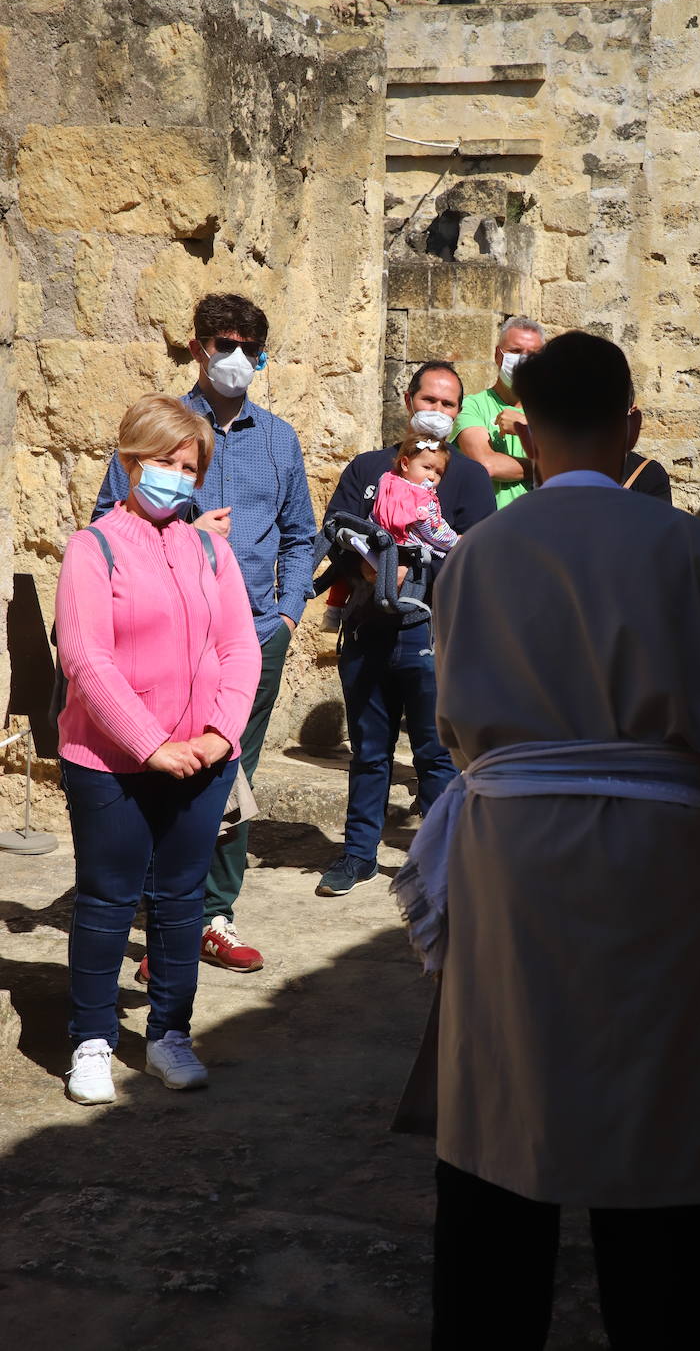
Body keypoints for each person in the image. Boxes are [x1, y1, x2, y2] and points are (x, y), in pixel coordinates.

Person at [391, 332, 700, 1350]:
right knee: (656, 1111)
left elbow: (455, 728)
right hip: (644, 867)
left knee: (503, 1107)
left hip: (511, 860)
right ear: (631, 428)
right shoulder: (679, 546)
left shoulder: (481, 553)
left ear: (524, 439)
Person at [94, 293, 316, 974]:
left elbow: (301, 536)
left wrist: (284, 617)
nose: (238, 360)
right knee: (164, 768)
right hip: (165, 634)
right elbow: (107, 519)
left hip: (250, 637)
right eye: (226, 345)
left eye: (251, 348)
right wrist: (187, 537)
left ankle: (210, 914)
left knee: (233, 774)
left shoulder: (278, 439)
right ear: (197, 348)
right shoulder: (162, 431)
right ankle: (165, 919)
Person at [57, 395, 261, 1105]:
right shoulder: (94, 548)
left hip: (204, 759)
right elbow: (86, 657)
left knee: (180, 904)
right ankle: (90, 1040)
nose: (175, 477)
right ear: (129, 460)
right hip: (111, 763)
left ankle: (171, 1033)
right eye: (163, 462)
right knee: (108, 902)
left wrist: (219, 734)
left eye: (188, 466)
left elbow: (239, 646)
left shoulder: (209, 547)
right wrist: (150, 746)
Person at [315, 361, 495, 896]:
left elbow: (476, 554)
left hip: (432, 636)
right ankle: (358, 855)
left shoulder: (469, 476)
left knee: (434, 754)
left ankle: (438, 864)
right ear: (409, 400)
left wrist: (417, 568)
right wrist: (369, 566)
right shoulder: (368, 468)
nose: (437, 412)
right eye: (429, 400)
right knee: (369, 750)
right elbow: (335, 530)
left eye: (448, 404)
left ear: (458, 412)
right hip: (367, 629)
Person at [322, 435, 460, 631]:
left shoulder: (387, 480)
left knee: (342, 569)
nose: (432, 476)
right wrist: (454, 541)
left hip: (376, 541)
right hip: (404, 544)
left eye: (438, 473)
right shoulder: (422, 498)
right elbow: (433, 530)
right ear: (405, 463)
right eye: (427, 468)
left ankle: (334, 608)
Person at [451, 316, 545, 507]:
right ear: (497, 355)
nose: (524, 360)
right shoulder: (472, 406)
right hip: (489, 528)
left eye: (532, 355)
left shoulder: (552, 411)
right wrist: (545, 467)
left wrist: (525, 428)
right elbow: (487, 464)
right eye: (516, 351)